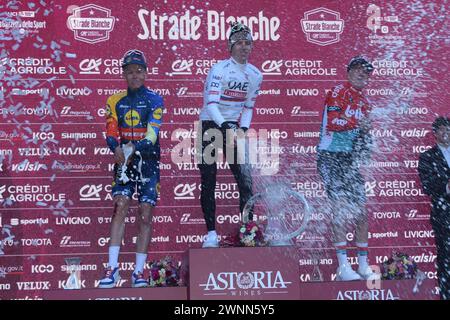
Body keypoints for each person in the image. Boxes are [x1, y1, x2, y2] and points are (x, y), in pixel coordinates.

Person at [98, 49, 164, 288]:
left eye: (139, 71)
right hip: (123, 158)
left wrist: (131, 149)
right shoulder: (114, 100)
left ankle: (139, 272)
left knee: (145, 213)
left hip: (148, 160)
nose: (134, 75)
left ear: (145, 73)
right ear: (123, 74)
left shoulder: (156, 99)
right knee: (120, 206)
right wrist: (115, 147)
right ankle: (112, 268)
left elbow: (152, 135)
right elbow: (110, 130)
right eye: (130, 72)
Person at [197, 22, 263, 248]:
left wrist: (243, 130)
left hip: (234, 127)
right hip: (210, 125)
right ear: (230, 47)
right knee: (209, 180)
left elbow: (248, 107)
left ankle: (248, 231)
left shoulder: (255, 74)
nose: (244, 47)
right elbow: (211, 104)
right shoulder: (219, 69)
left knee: (245, 180)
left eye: (248, 43)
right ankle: (211, 234)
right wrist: (226, 126)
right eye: (239, 43)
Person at [316, 56, 378, 281]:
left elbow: (361, 136)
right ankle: (343, 267)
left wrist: (367, 141)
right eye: (359, 70)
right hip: (330, 156)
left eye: (367, 72)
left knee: (362, 212)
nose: (363, 74)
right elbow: (333, 122)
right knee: (340, 209)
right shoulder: (337, 92)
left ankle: (362, 265)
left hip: (349, 160)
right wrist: (358, 125)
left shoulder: (365, 102)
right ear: (349, 72)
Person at [418, 116, 450, 300]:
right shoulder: (427, 157)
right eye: (443, 130)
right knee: (446, 258)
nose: (446, 133)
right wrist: (446, 186)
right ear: (435, 133)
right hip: (443, 215)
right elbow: (427, 185)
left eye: (449, 130)